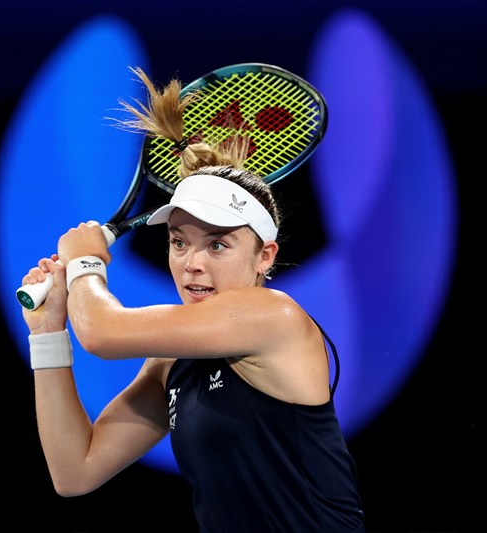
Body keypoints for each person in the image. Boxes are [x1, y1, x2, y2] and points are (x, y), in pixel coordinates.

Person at [19, 67, 365, 532]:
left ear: (265, 256)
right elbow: (74, 471)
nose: (192, 263)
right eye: (179, 242)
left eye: (218, 245)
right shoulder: (171, 362)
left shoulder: (274, 316)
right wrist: (47, 334)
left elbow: (101, 332)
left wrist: (84, 264)